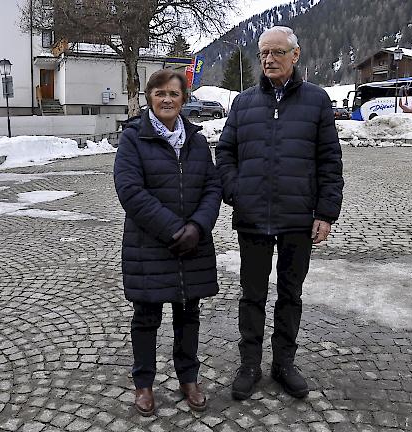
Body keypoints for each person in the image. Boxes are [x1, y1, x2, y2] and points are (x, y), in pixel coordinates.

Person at [215, 26, 344, 400]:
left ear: (295, 55)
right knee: (251, 295)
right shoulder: (243, 103)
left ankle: (284, 363)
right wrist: (236, 191)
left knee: (290, 294)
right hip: (253, 217)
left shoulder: (317, 101)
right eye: (263, 53)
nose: (268, 59)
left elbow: (329, 161)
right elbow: (225, 153)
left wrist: (326, 212)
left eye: (276, 52)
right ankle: (250, 364)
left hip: (297, 218)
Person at [114, 69, 222, 416]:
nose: (166, 99)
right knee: (146, 317)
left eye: (173, 94)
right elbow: (130, 191)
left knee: (189, 315)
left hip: (193, 245)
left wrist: (198, 227)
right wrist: (175, 229)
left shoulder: (197, 140)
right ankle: (143, 384)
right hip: (150, 245)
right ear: (149, 98)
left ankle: (188, 378)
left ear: (183, 99)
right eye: (159, 93)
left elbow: (212, 187)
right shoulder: (134, 138)